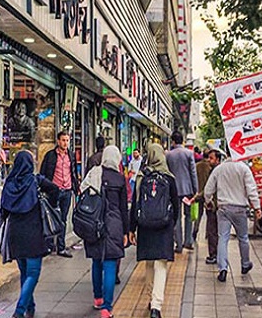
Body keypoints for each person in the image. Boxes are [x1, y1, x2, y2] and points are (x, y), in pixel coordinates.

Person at [0, 151, 59, 318]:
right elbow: (55, 190)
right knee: (33, 273)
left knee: (25, 272)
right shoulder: (35, 181)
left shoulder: (9, 184)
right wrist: (50, 203)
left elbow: (4, 211)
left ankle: (30, 307)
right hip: (34, 233)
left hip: (15, 235)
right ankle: (19, 311)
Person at [129, 143, 179, 318]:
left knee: (149, 263)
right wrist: (172, 225)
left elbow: (135, 204)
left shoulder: (142, 176)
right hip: (164, 226)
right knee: (161, 265)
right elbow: (176, 203)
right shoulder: (169, 177)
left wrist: (131, 228)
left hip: (145, 226)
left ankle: (151, 299)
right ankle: (156, 306)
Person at [81, 146, 129, 318]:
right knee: (110, 264)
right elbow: (124, 208)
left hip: (94, 223)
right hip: (114, 225)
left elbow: (82, 192)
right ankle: (106, 309)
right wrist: (126, 231)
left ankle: (98, 298)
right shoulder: (120, 178)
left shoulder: (94, 174)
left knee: (96, 262)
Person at [204, 157, 262, 282]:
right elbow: (251, 190)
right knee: (243, 238)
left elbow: (208, 189)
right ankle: (245, 264)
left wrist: (208, 201)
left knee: (223, 238)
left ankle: (223, 269)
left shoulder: (219, 169)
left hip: (223, 208)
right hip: (240, 209)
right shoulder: (244, 168)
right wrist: (257, 207)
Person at [40, 131, 79, 257]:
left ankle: (61, 247)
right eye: (63, 140)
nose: (65, 143)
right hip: (54, 191)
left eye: (67, 140)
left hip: (67, 190)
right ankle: (49, 245)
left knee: (63, 219)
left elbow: (73, 172)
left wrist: (76, 187)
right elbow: (43, 172)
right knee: (50, 217)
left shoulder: (71, 156)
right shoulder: (50, 155)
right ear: (58, 141)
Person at [165, 131, 198, 252]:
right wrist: (196, 190)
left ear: (173, 141)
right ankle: (188, 241)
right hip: (187, 190)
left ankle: (178, 244)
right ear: (182, 141)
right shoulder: (189, 153)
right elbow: (193, 173)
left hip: (174, 190)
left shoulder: (168, 155)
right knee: (188, 215)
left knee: (176, 217)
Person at [193, 149, 221, 265]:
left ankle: (214, 255)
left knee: (212, 230)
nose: (209, 160)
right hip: (220, 204)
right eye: (209, 158)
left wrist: (198, 197)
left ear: (218, 159)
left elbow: (208, 190)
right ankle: (219, 255)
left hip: (213, 204)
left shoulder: (215, 171)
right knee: (219, 232)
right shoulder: (214, 170)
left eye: (212, 158)